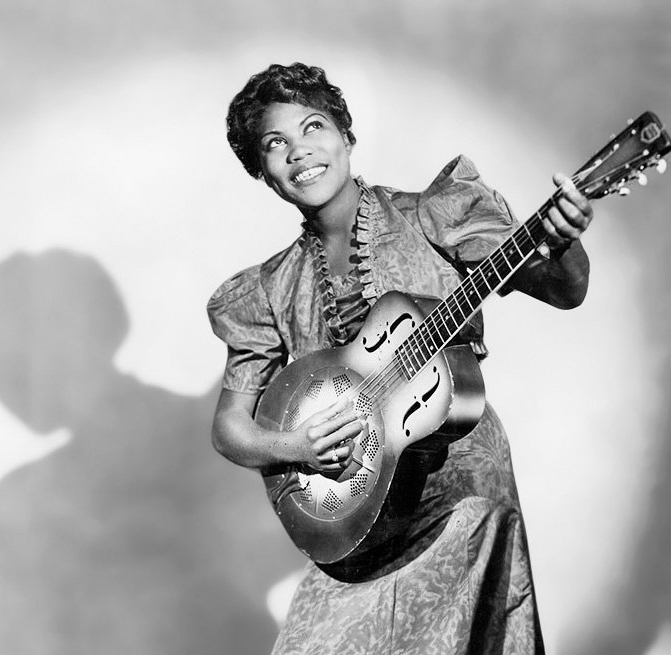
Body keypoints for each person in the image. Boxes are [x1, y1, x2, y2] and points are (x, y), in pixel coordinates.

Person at [207, 62, 593, 654]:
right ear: (262, 171)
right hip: (356, 519)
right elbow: (231, 428)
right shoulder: (268, 288)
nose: (298, 152)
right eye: (274, 144)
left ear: (346, 136)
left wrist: (560, 239)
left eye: (313, 127)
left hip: (457, 494)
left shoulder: (434, 214)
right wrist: (294, 448)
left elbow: (563, 289)